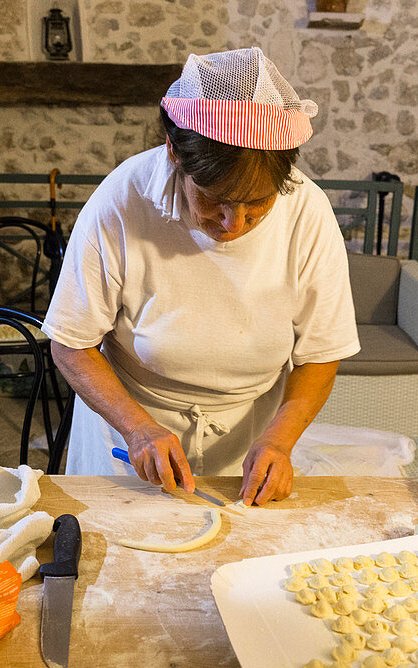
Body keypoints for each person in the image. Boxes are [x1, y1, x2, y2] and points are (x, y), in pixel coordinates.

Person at [42, 47, 359, 505]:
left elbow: (322, 352)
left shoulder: (307, 212)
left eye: (258, 204)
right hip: (133, 435)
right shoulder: (123, 200)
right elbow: (71, 343)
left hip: (250, 436)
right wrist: (138, 429)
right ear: (174, 154)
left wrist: (280, 441)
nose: (235, 222)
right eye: (215, 199)